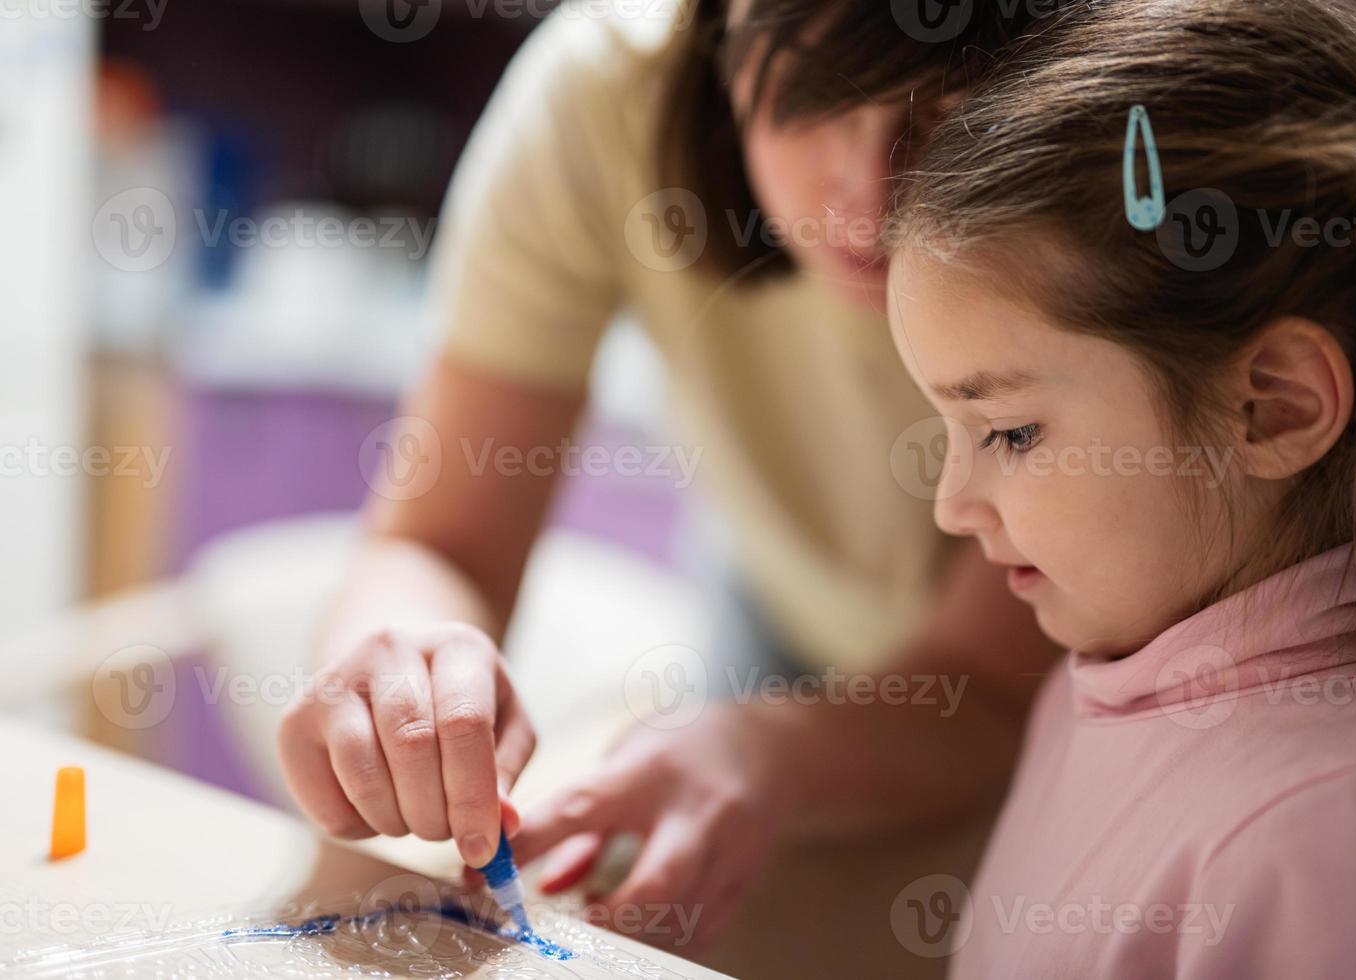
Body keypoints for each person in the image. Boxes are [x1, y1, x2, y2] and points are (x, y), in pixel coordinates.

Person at [275, 0, 1061, 953]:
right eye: (809, 96)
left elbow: (984, 687)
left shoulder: (1115, 115)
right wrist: (401, 656)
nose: (863, 197)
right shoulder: (605, 90)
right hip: (772, 625)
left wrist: (760, 752)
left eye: (943, 114)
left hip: (1055, 705)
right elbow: (439, 538)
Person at [874, 0, 1356, 972]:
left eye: (1011, 431)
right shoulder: (1119, 649)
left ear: (1272, 406)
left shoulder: (1337, 833)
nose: (952, 503)